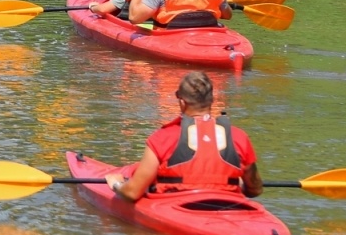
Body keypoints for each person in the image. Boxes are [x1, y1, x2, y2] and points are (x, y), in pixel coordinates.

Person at [105, 72, 261, 202]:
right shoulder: (239, 137)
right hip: (229, 208)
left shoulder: (163, 138)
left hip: (176, 207)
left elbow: (132, 193)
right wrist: (231, 182)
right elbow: (255, 190)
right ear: (212, 101)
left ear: (181, 101)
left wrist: (117, 185)